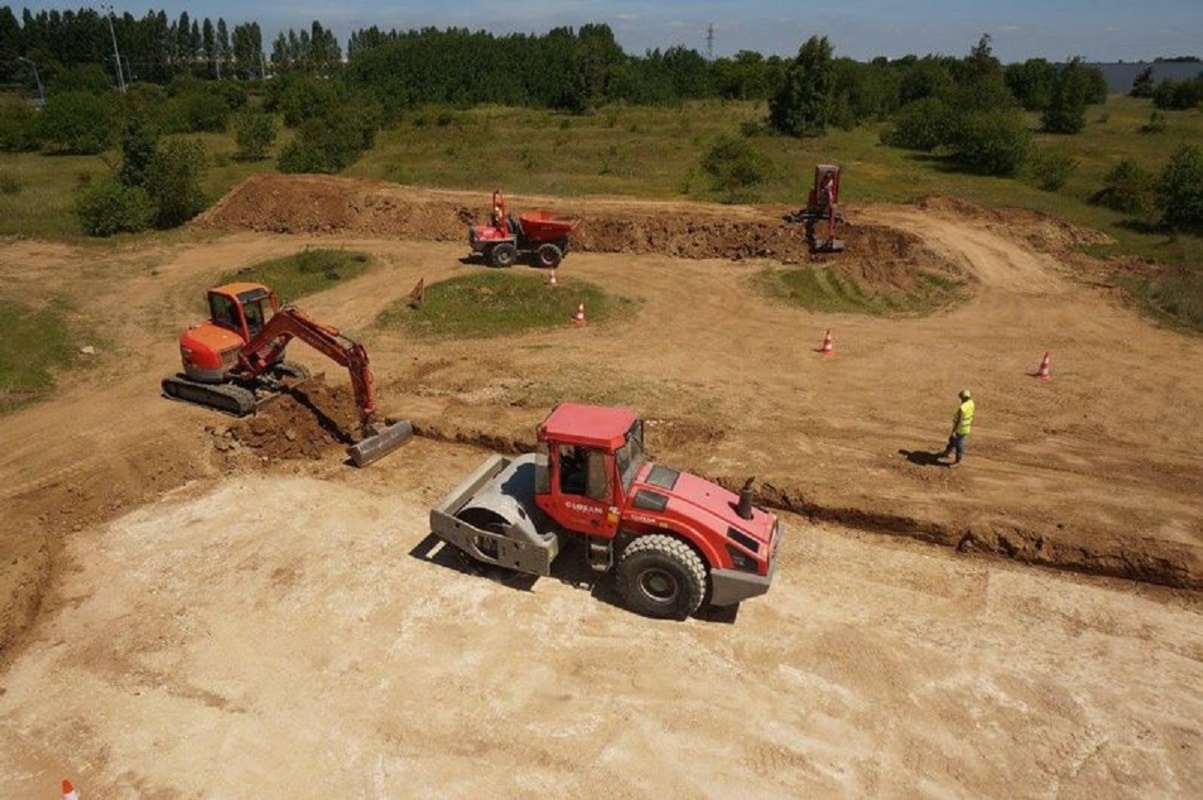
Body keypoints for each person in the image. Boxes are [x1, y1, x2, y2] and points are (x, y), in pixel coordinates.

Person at [939, 389, 975, 468]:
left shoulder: (963, 407)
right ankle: (946, 453)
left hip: (960, 429)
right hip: (966, 427)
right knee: (952, 440)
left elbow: (959, 420)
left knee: (959, 445)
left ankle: (958, 461)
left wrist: (954, 431)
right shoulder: (971, 403)